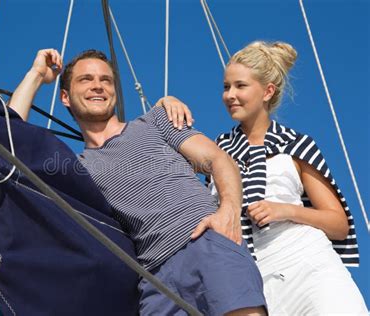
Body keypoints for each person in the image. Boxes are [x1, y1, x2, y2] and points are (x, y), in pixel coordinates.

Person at [8, 48, 267, 315]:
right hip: (155, 281)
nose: (98, 86)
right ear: (65, 96)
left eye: (106, 80)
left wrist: (229, 211)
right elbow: (6, 140)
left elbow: (218, 160)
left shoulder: (155, 121)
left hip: (206, 242)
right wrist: (37, 74)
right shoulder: (76, 169)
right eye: (86, 79)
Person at [157, 41, 368, 315]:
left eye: (240, 86)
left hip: (308, 266)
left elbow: (338, 224)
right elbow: (163, 155)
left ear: (267, 91)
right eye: (226, 87)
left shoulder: (296, 144)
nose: (229, 95)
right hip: (252, 279)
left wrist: (285, 210)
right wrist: (166, 104)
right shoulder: (217, 149)